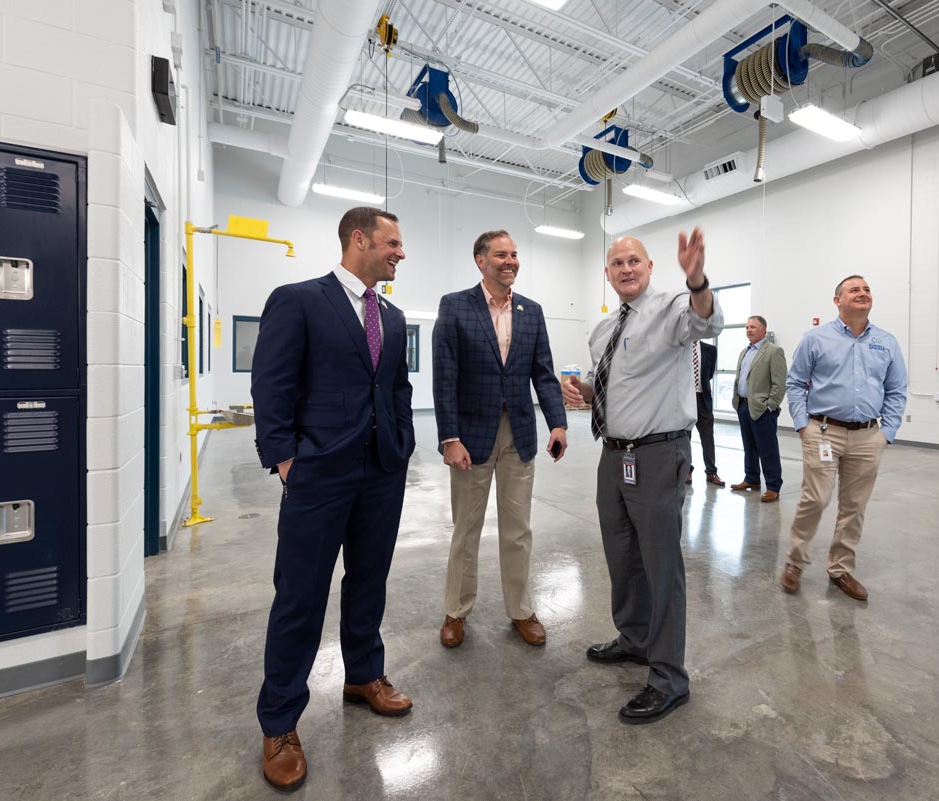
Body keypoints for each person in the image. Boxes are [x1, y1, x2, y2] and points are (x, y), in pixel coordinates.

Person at [251, 207, 415, 791]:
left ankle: (363, 676)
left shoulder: (391, 318)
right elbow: (271, 384)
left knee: (369, 580)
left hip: (381, 471)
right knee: (300, 595)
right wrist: (287, 459)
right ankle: (279, 722)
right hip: (318, 473)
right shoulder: (298, 300)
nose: (400, 253)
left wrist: (402, 442)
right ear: (358, 239)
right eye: (392, 243)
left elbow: (397, 387)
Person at [562, 229, 723, 724]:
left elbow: (708, 321)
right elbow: (612, 384)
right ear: (606, 273)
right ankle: (634, 638)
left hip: (657, 455)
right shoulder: (604, 329)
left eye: (634, 261)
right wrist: (586, 394)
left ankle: (669, 677)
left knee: (661, 564)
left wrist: (696, 278)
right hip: (613, 455)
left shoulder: (673, 307)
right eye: (617, 263)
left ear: (651, 267)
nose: (626, 268)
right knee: (623, 555)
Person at [432, 230, 568, 649]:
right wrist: (449, 438)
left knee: (517, 529)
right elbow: (445, 377)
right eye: (500, 255)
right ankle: (456, 611)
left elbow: (543, 372)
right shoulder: (455, 307)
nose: (509, 261)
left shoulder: (532, 311)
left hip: (519, 435)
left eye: (513, 254)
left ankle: (522, 610)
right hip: (471, 438)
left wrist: (558, 424)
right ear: (480, 260)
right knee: (467, 528)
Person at [781, 275, 907, 602]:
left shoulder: (886, 341)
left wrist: (886, 433)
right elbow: (795, 383)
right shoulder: (816, 339)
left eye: (866, 289)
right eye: (854, 289)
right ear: (837, 300)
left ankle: (840, 568)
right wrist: (802, 425)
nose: (863, 293)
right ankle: (795, 561)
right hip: (823, 432)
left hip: (868, 436)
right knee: (817, 499)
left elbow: (896, 390)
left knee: (854, 506)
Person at [729, 316, 787, 502]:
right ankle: (752, 479)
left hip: (762, 409)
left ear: (763, 329)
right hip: (743, 406)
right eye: (747, 327)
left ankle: (773, 486)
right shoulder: (744, 352)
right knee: (749, 446)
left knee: (767, 448)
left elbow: (779, 383)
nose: (748, 330)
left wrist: (771, 406)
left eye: (752, 327)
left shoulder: (774, 351)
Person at [687, 340, 725, 486]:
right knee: (686, 438)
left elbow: (708, 375)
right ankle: (686, 471)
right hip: (686, 399)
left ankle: (711, 472)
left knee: (708, 438)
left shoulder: (710, 350)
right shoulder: (681, 348)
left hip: (703, 400)